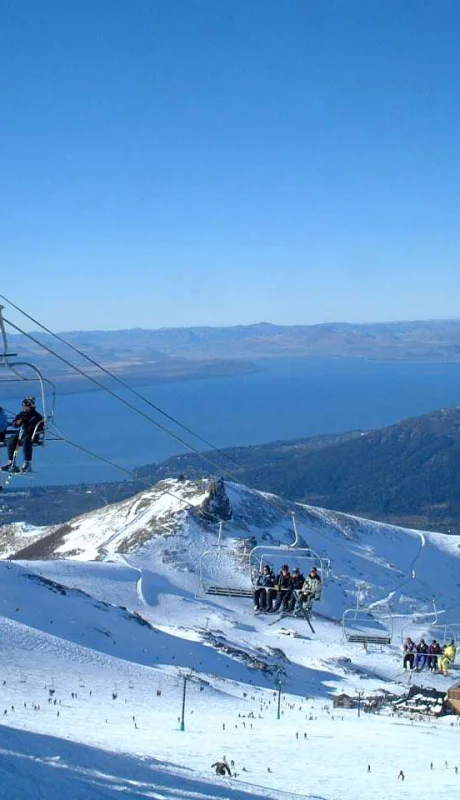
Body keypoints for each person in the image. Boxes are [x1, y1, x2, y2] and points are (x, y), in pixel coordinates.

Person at [1, 398, 44, 473]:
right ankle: (11, 463)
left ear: (31, 406)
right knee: (11, 440)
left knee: (26, 441)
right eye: (24, 407)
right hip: (22, 433)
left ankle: (27, 463)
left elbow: (41, 425)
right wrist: (17, 422)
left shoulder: (36, 416)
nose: (25, 408)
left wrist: (30, 423)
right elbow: (15, 423)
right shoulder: (22, 414)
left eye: (27, 407)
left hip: (31, 435)